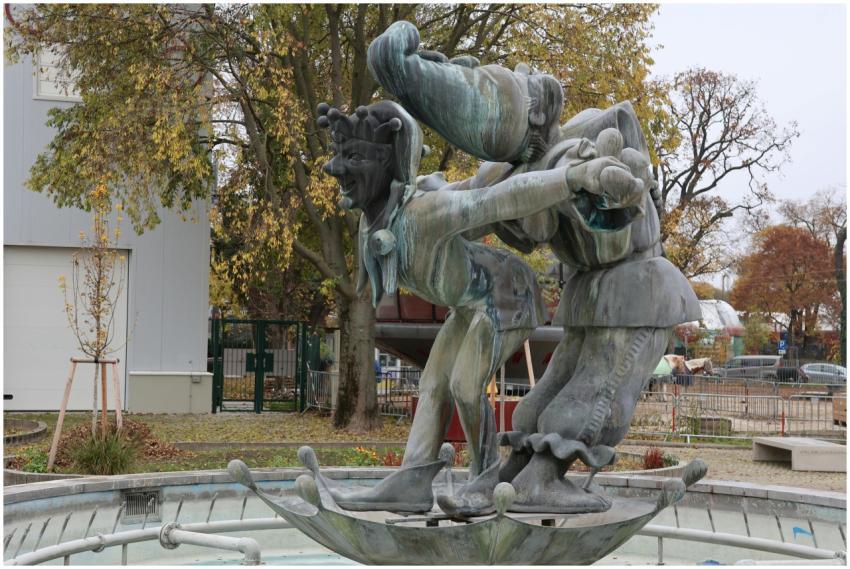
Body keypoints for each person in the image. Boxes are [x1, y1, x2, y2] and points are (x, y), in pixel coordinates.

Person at [366, 20, 701, 515]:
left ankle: (541, 480)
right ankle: (503, 481)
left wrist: (616, 184)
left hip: (639, 295)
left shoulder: (573, 149)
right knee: (536, 405)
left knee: (595, 396)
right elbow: (478, 200)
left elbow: (604, 195)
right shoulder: (518, 169)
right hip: (592, 295)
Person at [316, 98, 643, 514]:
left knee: (465, 386)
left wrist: (575, 176)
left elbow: (503, 198)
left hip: (507, 296)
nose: (338, 170)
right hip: (469, 303)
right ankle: (411, 482)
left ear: (387, 161)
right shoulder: (375, 222)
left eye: (354, 157)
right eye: (339, 157)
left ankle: (485, 481)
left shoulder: (424, 213)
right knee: (432, 384)